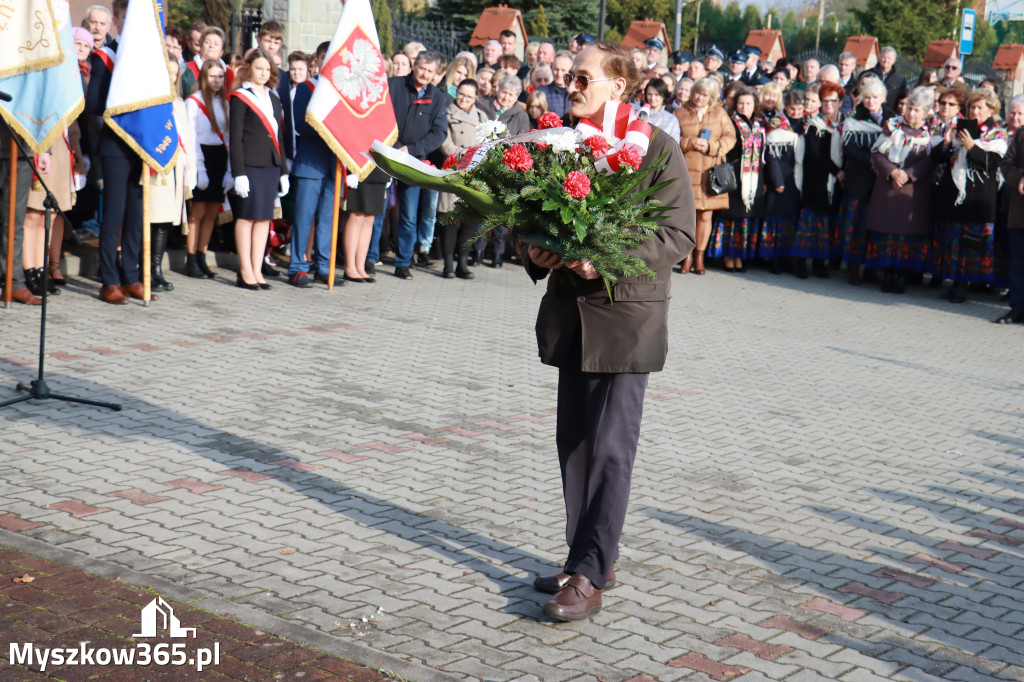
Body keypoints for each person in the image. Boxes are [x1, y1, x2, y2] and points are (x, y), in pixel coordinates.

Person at [525, 40, 695, 622]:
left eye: (583, 78)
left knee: (611, 451)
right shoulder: (561, 148)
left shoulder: (656, 149)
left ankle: (592, 572)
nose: (570, 85)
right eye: (568, 77)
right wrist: (534, 251)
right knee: (574, 442)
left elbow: (678, 236)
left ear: (619, 85)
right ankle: (586, 556)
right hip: (574, 317)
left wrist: (606, 258)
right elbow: (532, 219)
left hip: (626, 319)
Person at [86, 0, 153, 305]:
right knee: (114, 214)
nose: (131, 22)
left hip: (141, 146)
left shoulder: (148, 58)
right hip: (114, 145)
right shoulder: (106, 57)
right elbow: (94, 103)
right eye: (126, 17)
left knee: (136, 215)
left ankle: (131, 275)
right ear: (116, 19)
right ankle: (109, 280)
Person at [931, 88, 1007, 303]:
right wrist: (946, 143)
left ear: (991, 110)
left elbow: (992, 164)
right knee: (955, 242)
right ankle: (955, 283)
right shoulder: (961, 129)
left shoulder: (997, 134)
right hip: (956, 197)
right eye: (972, 107)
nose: (974, 111)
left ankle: (965, 286)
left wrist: (972, 146)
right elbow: (938, 158)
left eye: (979, 108)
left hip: (979, 198)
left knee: (971, 245)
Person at [863, 87, 938, 294]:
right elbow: (878, 152)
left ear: (926, 112)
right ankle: (887, 275)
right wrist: (893, 172)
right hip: (889, 187)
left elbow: (931, 159)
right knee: (888, 234)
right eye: (909, 108)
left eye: (916, 110)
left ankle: (901, 276)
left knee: (906, 236)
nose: (911, 113)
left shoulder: (931, 133)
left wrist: (909, 174)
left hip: (913, 190)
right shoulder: (892, 127)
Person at [229, 49, 287, 290]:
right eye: (259, 68)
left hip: (270, 166)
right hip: (250, 166)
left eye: (268, 69)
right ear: (249, 68)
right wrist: (238, 173)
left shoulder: (274, 98)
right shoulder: (240, 96)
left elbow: (280, 137)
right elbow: (236, 137)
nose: (264, 73)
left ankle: (256, 268)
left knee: (263, 218)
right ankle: (245, 270)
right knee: (246, 217)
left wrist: (283, 170)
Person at [389, 51, 449, 279]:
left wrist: (411, 150)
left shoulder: (438, 97)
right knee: (384, 214)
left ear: (436, 74)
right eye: (422, 68)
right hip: (388, 153)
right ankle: (377, 259)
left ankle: (404, 261)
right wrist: (395, 145)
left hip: (417, 162)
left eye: (430, 71)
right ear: (414, 66)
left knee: (413, 215)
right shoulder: (394, 85)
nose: (425, 74)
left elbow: (439, 132)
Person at [676, 77, 736, 274]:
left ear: (711, 97)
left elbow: (731, 137)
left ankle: (700, 257)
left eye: (705, 95)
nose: (699, 97)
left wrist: (712, 146)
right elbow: (672, 139)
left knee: (705, 215)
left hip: (710, 173)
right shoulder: (680, 112)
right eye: (697, 92)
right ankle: (687, 256)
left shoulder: (719, 113)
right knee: (687, 216)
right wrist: (689, 142)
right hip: (686, 171)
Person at [838, 77, 893, 285]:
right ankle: (853, 266)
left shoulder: (891, 119)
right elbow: (850, 149)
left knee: (876, 226)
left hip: (881, 183)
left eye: (875, 97)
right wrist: (875, 161)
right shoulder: (853, 117)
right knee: (855, 226)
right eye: (867, 97)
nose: (870, 101)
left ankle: (872, 267)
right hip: (859, 180)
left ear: (883, 98)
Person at [148, 56, 196, 292]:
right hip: (156, 167)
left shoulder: (178, 102)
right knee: (152, 217)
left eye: (175, 73)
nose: (171, 76)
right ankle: (145, 268)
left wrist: (191, 168)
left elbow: (187, 135)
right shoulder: (152, 101)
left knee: (165, 220)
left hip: (176, 167)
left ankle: (156, 270)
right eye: (168, 71)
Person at [185, 59, 232, 280]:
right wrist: (199, 169)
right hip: (201, 156)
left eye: (220, 77)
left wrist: (230, 169)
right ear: (204, 77)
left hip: (219, 157)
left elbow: (229, 136)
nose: (217, 81)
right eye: (213, 76)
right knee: (198, 212)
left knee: (213, 210)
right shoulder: (193, 102)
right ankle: (191, 257)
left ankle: (202, 255)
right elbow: (191, 137)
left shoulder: (224, 102)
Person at [710, 87, 765, 271]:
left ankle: (739, 256)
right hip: (734, 176)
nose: (744, 106)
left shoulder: (758, 125)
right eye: (741, 103)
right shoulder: (731, 123)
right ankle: (727, 256)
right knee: (731, 218)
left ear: (754, 106)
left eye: (748, 103)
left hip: (753, 177)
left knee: (745, 219)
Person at [793, 82, 844, 279]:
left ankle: (819, 262)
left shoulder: (843, 125)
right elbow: (814, 154)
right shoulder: (815, 124)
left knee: (825, 223)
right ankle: (800, 262)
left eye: (833, 101)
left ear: (840, 103)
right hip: (816, 179)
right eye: (825, 101)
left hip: (832, 183)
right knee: (810, 221)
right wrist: (837, 171)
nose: (829, 105)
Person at [438, 78, 488, 279]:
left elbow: (489, 142)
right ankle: (448, 264)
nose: (464, 99)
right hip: (454, 170)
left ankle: (463, 262)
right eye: (461, 94)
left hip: (475, 173)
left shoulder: (482, 116)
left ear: (476, 97)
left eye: (469, 96)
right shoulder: (447, 113)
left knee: (469, 219)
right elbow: (445, 144)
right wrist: (465, 155)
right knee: (452, 219)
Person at [762, 89, 805, 274]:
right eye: (792, 109)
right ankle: (773, 259)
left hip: (796, 180)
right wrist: (777, 181)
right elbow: (771, 156)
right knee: (776, 222)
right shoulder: (777, 124)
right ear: (785, 108)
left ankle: (787, 258)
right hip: (779, 182)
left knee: (791, 223)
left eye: (799, 108)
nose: (795, 112)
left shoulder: (805, 125)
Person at [0, 126, 42, 305]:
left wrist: (45, 150)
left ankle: (15, 282)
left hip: (22, 148)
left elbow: (39, 105)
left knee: (14, 222)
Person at [998, 94, 1024, 323]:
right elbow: (1006, 164)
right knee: (1018, 263)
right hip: (1020, 212)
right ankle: (1017, 307)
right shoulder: (1021, 135)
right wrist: (1020, 178)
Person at [181, 27, 232, 98]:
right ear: (201, 47)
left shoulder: (229, 74)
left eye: (216, 44)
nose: (211, 46)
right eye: (207, 42)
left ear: (222, 52)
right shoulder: (187, 68)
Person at [868, 47, 907, 112]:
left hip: (889, 113)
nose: (886, 60)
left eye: (889, 58)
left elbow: (902, 99)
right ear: (879, 58)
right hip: (869, 112)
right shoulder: (868, 74)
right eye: (884, 57)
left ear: (894, 60)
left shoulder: (900, 79)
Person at [539, 52, 573, 119]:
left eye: (563, 70)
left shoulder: (578, 93)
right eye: (556, 69)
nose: (559, 74)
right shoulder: (542, 93)